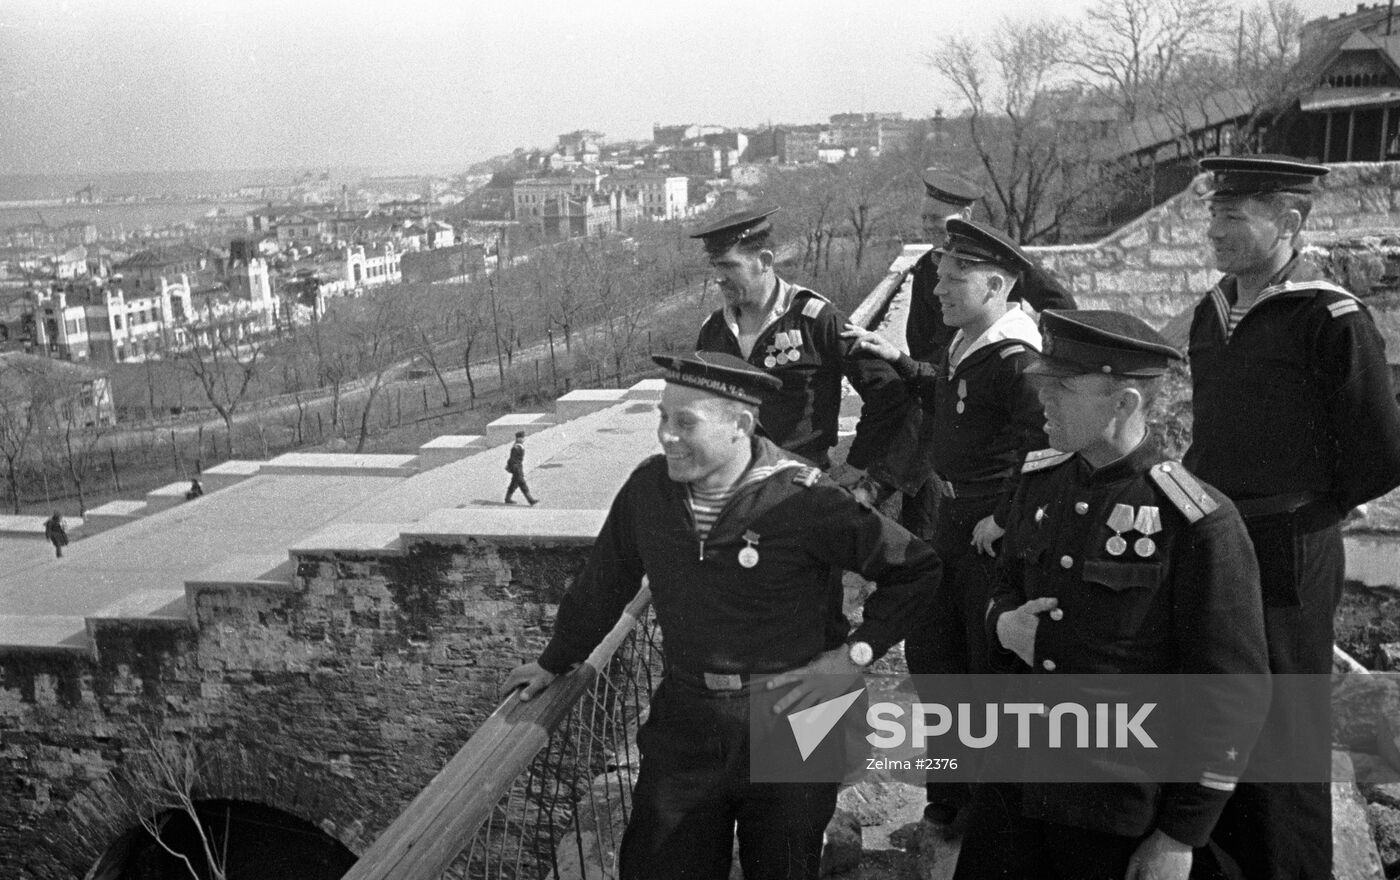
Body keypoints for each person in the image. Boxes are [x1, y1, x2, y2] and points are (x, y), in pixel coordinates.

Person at [503, 351, 940, 880]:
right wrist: (556, 660)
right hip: (690, 713)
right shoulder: (649, 491)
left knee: (784, 866)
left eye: (685, 422)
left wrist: (854, 656)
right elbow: (603, 583)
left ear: (739, 425)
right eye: (662, 417)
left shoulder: (803, 499)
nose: (666, 435)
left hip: (797, 711)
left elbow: (917, 569)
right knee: (658, 864)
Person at [966, 310, 1270, 880]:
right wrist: (1003, 624)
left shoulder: (1196, 521)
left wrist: (1181, 836)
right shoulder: (1040, 482)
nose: (1043, 400)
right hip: (1012, 788)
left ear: (1125, 403)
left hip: (1114, 808)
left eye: (1062, 387)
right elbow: (1001, 585)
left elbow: (1234, 694)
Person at [1184, 155, 1400, 879]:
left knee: (1284, 725)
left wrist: (1310, 511)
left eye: (1233, 216)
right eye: (1213, 215)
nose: (1215, 231)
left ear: (1291, 222)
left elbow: (1379, 448)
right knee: (1223, 706)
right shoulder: (1216, 310)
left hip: (1291, 542)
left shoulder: (1328, 315)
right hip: (1219, 538)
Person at [841, 218, 1046, 832]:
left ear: (997, 285)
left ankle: (988, 805)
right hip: (952, 518)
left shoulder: (1017, 356)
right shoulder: (970, 343)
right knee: (936, 657)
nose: (939, 290)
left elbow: (1042, 446)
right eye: (940, 276)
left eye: (957, 278)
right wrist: (899, 360)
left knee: (983, 666)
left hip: (985, 528)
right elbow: (953, 398)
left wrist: (1004, 517)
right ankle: (950, 790)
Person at [858, 171, 1077, 536]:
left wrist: (1041, 355)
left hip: (978, 383)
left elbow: (1060, 305)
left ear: (967, 216)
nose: (927, 226)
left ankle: (876, 486)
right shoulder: (930, 265)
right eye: (924, 217)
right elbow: (920, 336)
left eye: (935, 219)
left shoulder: (993, 263)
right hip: (945, 375)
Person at [692, 206, 906, 473]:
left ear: (765, 261)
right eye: (715, 266)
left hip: (798, 487)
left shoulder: (815, 320)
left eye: (728, 266)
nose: (718, 277)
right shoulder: (713, 331)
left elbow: (888, 392)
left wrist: (858, 464)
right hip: (734, 483)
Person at [503, 430, 538, 506]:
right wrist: (515, 469)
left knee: (514, 484)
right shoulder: (516, 447)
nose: (524, 439)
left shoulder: (518, 446)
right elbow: (513, 460)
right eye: (522, 438)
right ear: (518, 438)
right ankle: (530, 500)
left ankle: (507, 499)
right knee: (522, 484)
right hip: (517, 468)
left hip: (518, 467)